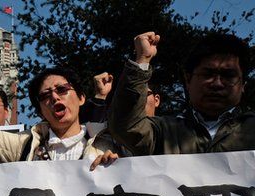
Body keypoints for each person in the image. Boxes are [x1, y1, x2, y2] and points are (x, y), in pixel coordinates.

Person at [0, 49, 119, 170]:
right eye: (45, 95)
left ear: (81, 98)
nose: (54, 97)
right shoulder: (24, 145)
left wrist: (116, 167)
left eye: (62, 90)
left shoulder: (107, 140)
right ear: (39, 112)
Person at [109, 31, 254, 155]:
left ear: (243, 85)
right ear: (188, 80)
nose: (217, 83)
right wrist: (142, 61)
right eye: (207, 74)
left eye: (228, 75)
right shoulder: (162, 132)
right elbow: (126, 127)